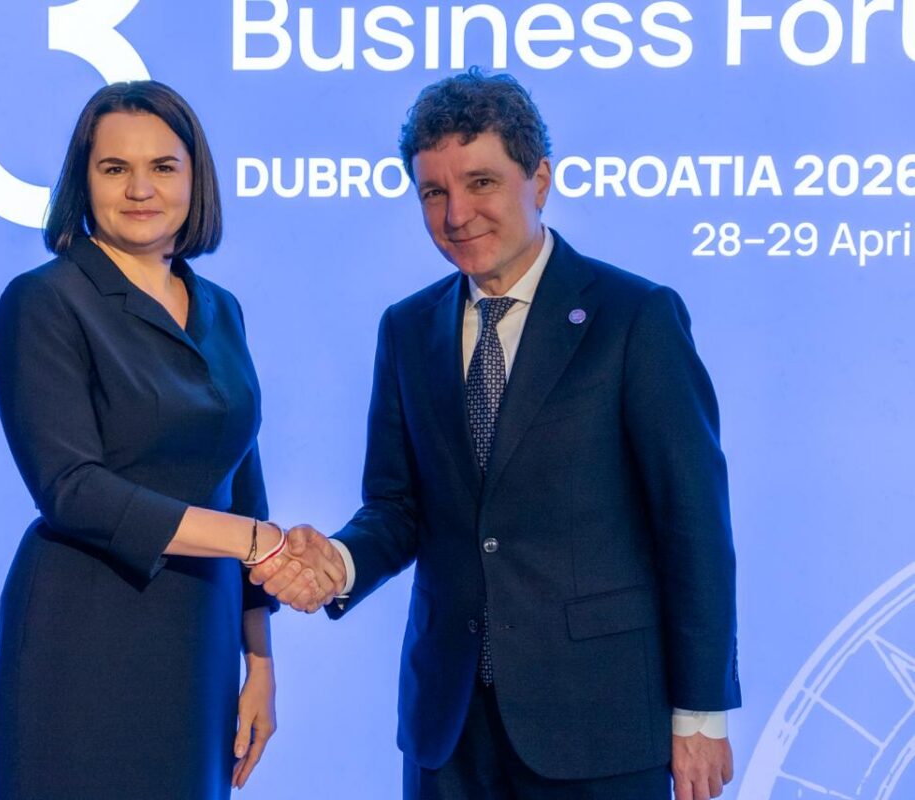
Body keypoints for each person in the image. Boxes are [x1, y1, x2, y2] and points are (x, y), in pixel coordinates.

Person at [253, 69, 741, 800]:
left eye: (480, 182)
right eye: (433, 192)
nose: (457, 214)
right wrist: (341, 563)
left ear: (539, 180)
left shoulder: (634, 317)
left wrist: (700, 711)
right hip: (449, 732)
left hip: (599, 724)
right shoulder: (407, 328)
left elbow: (692, 523)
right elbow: (397, 506)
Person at [0, 80, 335, 800]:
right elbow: (71, 489)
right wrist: (255, 542)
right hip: (86, 636)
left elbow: (242, 480)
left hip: (203, 636)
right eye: (115, 168)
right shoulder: (43, 301)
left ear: (195, 178)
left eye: (163, 167)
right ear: (83, 182)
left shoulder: (220, 308)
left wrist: (260, 661)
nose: (140, 189)